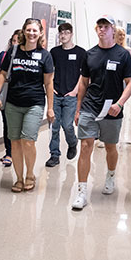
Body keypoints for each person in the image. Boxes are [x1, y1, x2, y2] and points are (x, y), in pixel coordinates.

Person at [71, 16, 131, 210]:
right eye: (99, 27)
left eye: (106, 27)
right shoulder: (89, 54)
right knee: (86, 146)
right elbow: (83, 82)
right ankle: (82, 192)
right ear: (96, 29)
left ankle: (110, 176)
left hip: (112, 110)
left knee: (110, 147)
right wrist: (78, 108)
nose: (102, 30)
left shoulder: (123, 55)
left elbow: (130, 82)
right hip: (90, 107)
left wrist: (120, 103)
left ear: (112, 30)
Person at [0, 18, 54, 192]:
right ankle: (18, 178)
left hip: (34, 103)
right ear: (24, 31)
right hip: (13, 103)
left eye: (35, 30)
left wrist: (50, 108)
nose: (31, 33)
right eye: (28, 30)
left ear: (40, 33)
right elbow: (3, 74)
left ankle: (30, 174)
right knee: (15, 141)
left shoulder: (45, 55)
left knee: (28, 141)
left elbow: (49, 84)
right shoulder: (14, 52)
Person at [46, 22, 86, 167]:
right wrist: (51, 89)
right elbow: (49, 72)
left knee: (67, 125)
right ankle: (54, 155)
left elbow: (84, 75)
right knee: (54, 125)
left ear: (71, 34)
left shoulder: (81, 53)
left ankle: (72, 142)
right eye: (61, 33)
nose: (63, 36)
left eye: (66, 33)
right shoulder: (54, 52)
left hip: (71, 95)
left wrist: (75, 91)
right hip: (56, 94)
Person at [0, 29, 21, 167]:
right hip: (6, 93)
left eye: (18, 41)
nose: (15, 43)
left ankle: (17, 152)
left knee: (18, 127)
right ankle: (9, 152)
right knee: (7, 124)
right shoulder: (4, 55)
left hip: (20, 95)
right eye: (13, 41)